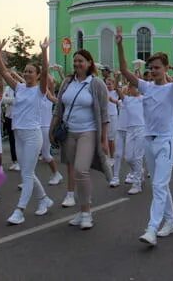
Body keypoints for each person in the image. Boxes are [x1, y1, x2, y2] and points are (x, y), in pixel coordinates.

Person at [117, 22, 173, 247]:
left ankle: (152, 228)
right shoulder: (146, 87)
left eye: (157, 67)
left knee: (158, 185)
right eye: (151, 68)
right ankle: (171, 221)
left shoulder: (172, 89)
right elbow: (124, 71)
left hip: (166, 142)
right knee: (161, 185)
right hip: (148, 141)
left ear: (166, 68)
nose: (153, 71)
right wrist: (120, 46)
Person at [0, 37, 54, 225]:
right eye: (26, 71)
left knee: (27, 173)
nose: (27, 73)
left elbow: (45, 72)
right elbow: (4, 72)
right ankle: (44, 199)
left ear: (37, 75)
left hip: (32, 135)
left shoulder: (40, 90)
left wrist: (44, 51)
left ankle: (19, 210)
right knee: (27, 172)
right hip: (18, 134)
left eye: (31, 71)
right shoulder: (19, 87)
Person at [51, 49, 110, 231]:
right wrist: (52, 129)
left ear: (89, 63)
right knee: (74, 171)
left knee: (81, 170)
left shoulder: (96, 84)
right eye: (75, 61)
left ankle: (86, 212)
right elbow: (59, 107)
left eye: (81, 61)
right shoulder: (67, 82)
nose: (77, 64)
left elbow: (104, 113)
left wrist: (104, 139)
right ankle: (81, 210)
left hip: (88, 132)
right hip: (69, 132)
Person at [40, 76, 63, 186]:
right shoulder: (37, 94)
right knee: (31, 155)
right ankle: (28, 179)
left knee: (46, 154)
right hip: (35, 127)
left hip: (45, 127)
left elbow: (51, 82)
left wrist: (46, 72)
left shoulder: (50, 96)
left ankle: (56, 174)